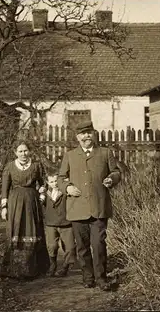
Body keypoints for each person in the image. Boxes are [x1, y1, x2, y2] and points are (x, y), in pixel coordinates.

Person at [57, 121, 121, 291]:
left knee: (99, 243)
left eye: (89, 133)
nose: (86, 136)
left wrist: (111, 179)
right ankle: (88, 277)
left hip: (99, 207)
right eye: (82, 134)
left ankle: (101, 278)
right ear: (77, 137)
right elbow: (60, 178)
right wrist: (67, 188)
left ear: (94, 134)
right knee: (82, 246)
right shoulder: (70, 156)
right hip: (77, 208)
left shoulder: (105, 153)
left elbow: (116, 172)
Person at [0, 140, 49, 278]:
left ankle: (35, 269)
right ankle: (15, 269)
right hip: (15, 203)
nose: (23, 154)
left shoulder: (36, 166)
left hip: (32, 203)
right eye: (20, 151)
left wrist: (42, 197)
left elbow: (43, 183)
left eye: (25, 150)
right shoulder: (9, 167)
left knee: (32, 229)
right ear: (15, 152)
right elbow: (5, 189)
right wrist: (4, 207)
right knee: (16, 230)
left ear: (29, 151)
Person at [40, 172, 76, 277]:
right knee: (52, 245)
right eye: (51, 181)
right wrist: (40, 192)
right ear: (47, 182)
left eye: (56, 181)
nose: (54, 183)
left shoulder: (65, 191)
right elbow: (40, 202)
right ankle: (53, 264)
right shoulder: (45, 193)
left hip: (66, 223)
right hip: (51, 223)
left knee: (70, 247)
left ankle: (65, 266)